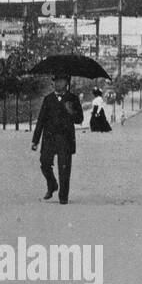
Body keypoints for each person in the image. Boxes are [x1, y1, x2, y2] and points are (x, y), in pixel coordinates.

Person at [31, 74, 83, 204]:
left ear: (67, 82)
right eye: (55, 81)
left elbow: (80, 119)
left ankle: (63, 197)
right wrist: (35, 140)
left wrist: (71, 111)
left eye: (61, 81)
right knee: (44, 163)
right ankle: (52, 184)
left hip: (65, 138)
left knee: (64, 167)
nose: (58, 83)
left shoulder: (73, 99)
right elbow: (41, 120)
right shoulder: (48, 99)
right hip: (49, 137)